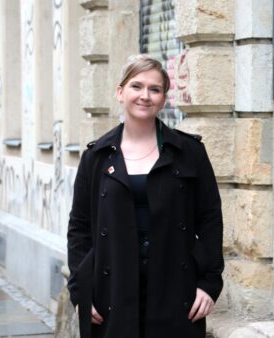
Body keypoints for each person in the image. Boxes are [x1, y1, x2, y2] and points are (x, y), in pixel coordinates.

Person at [67, 54, 224, 338]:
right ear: (120, 92)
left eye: (155, 89)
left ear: (164, 98)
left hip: (176, 293)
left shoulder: (189, 153)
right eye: (136, 86)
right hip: (110, 295)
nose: (145, 96)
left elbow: (210, 220)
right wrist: (81, 291)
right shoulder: (96, 157)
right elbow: (79, 230)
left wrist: (209, 283)